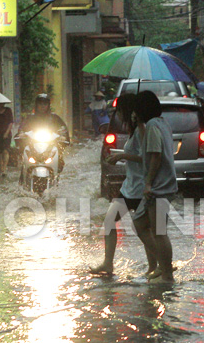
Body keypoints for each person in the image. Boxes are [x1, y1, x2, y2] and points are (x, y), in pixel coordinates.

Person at [90, 94, 157, 276]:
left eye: (119, 111)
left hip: (139, 188)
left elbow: (148, 156)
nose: (117, 114)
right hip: (130, 186)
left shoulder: (142, 129)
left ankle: (159, 264)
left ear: (127, 111)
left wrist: (122, 156)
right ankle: (108, 264)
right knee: (110, 222)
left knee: (143, 229)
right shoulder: (133, 130)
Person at [133, 90, 178, 282]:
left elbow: (155, 155)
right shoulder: (161, 123)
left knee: (159, 231)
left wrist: (149, 183)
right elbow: (148, 147)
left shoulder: (152, 126)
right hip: (164, 184)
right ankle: (163, 264)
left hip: (158, 187)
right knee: (140, 223)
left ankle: (167, 274)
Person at [18, 93, 70, 172]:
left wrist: (63, 135)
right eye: (40, 103)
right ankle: (25, 175)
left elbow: (62, 128)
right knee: (24, 155)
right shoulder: (30, 117)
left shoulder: (54, 117)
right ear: (36, 105)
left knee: (59, 158)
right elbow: (22, 127)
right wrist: (21, 133)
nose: (42, 106)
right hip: (33, 145)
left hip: (51, 144)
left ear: (48, 105)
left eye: (45, 104)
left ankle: (56, 175)